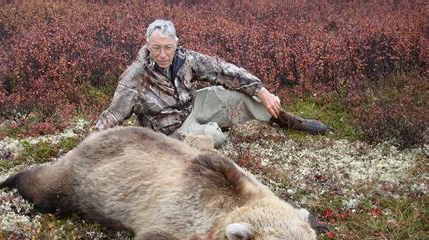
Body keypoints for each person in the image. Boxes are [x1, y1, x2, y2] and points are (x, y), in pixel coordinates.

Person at [95, 19, 327, 147]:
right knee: (214, 138)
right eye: (156, 48)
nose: (163, 54)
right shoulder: (134, 77)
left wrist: (262, 90)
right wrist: (87, 148)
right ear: (147, 44)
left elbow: (224, 70)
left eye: (168, 47)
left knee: (244, 96)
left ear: (176, 43)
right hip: (170, 129)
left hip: (194, 105)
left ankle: (290, 121)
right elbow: (112, 116)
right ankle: (209, 130)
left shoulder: (187, 59)